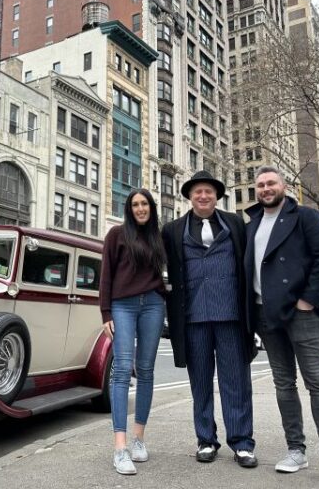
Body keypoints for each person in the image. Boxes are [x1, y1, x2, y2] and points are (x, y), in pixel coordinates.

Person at [245, 165, 319, 488]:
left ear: (284, 186)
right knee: (283, 385)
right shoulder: (252, 222)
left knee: (318, 384)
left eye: (271, 183)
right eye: (260, 185)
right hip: (265, 314)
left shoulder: (306, 217)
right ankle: (296, 450)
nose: (266, 189)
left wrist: (308, 300)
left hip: (300, 312)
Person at [161, 170, 258, 469]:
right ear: (189, 197)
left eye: (209, 192)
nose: (203, 196)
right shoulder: (172, 230)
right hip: (193, 318)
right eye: (197, 192)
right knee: (200, 383)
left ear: (217, 196)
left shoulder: (235, 224)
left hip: (231, 314)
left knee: (236, 383)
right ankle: (205, 440)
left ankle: (242, 443)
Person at [99, 188, 167, 475]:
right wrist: (105, 312)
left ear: (151, 207)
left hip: (153, 304)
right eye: (135, 204)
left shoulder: (157, 237)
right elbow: (106, 274)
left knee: (147, 370)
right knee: (122, 370)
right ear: (129, 209)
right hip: (122, 306)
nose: (140, 208)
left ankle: (139, 439)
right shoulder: (116, 235)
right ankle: (120, 447)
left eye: (145, 204)